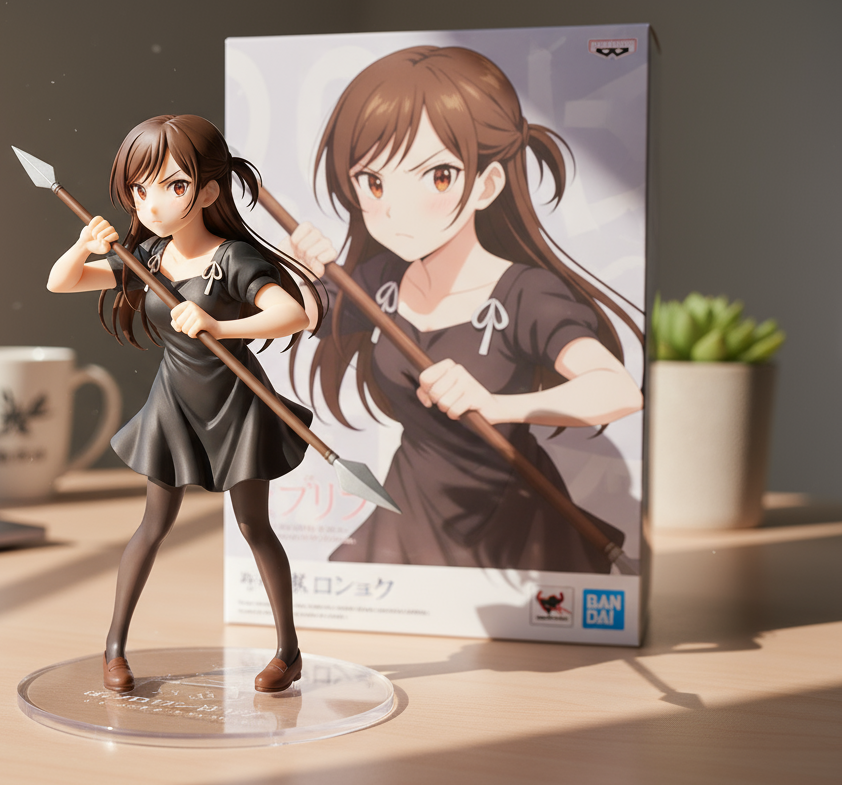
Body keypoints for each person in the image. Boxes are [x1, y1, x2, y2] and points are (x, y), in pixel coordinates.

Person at [283, 46, 644, 572]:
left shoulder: (525, 294)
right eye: (374, 182)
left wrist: (495, 405)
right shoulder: (379, 281)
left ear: (486, 185)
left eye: (438, 176)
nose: (394, 210)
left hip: (509, 518)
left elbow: (618, 391)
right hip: (409, 511)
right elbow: (299, 315)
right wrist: (299, 274)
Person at [47, 114, 324, 692]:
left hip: (236, 404)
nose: (151, 204)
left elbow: (292, 314)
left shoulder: (234, 260)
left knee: (253, 525)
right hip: (175, 403)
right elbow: (62, 284)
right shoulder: (147, 258)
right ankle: (114, 649)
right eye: (139, 189)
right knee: (152, 525)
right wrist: (82, 246)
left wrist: (220, 326)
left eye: (173, 186)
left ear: (208, 192)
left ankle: (288, 652)